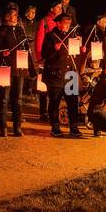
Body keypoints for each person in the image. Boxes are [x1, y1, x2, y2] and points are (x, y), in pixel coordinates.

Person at [0, 3, 30, 137]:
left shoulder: (20, 30)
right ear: (6, 16)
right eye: (11, 14)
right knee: (4, 99)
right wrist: (2, 53)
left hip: (19, 68)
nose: (14, 17)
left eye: (15, 15)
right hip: (5, 68)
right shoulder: (2, 30)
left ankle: (17, 127)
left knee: (18, 98)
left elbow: (25, 47)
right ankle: (3, 127)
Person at [41, 10, 82, 138]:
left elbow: (75, 56)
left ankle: (73, 127)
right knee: (54, 101)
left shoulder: (72, 35)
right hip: (55, 75)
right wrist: (54, 49)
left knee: (73, 102)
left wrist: (82, 49)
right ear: (58, 23)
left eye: (69, 23)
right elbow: (44, 55)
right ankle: (55, 127)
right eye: (65, 23)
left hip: (70, 73)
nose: (68, 25)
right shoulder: (51, 36)